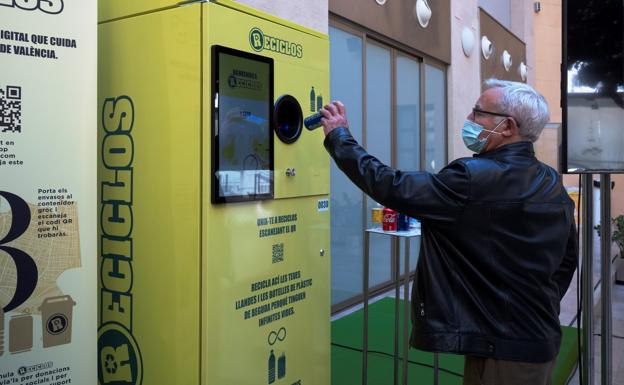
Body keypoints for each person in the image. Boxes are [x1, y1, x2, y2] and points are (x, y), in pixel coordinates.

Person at [320, 79, 578, 385]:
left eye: (478, 112)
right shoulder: (549, 180)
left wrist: (340, 138)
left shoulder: (473, 178)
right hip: (533, 334)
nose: (468, 119)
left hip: (505, 347)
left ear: (507, 126)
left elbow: (391, 185)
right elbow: (566, 260)